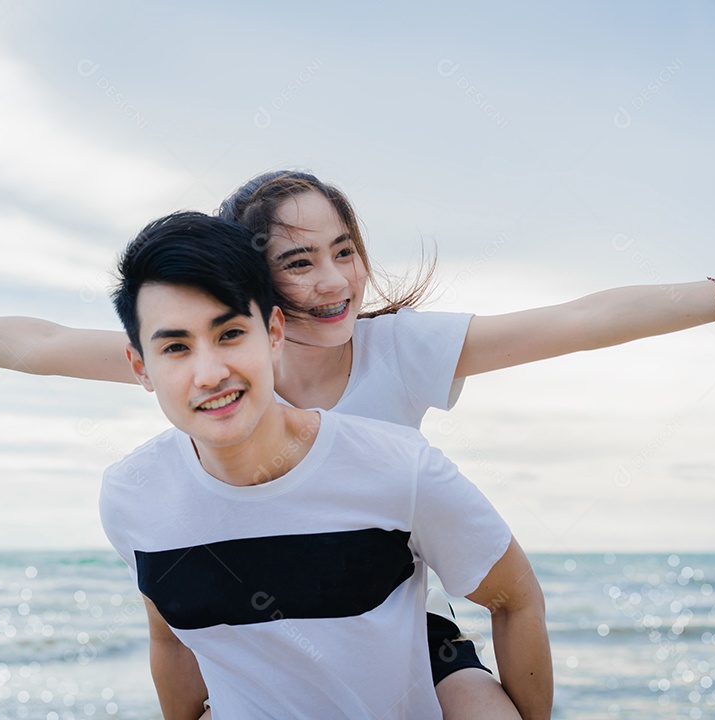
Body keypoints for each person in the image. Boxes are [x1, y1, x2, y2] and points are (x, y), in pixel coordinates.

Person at [0, 171, 715, 717]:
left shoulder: (404, 347)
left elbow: (579, 318)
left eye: (347, 250)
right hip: (267, 637)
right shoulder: (206, 359)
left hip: (399, 627)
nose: (339, 280)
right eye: (301, 261)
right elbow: (35, 345)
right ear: (250, 290)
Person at [100, 210, 551, 719]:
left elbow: (514, 599)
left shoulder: (399, 469)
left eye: (229, 335)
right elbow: (175, 642)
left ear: (272, 333)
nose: (210, 374)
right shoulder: (133, 494)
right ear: (141, 368)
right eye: (177, 347)